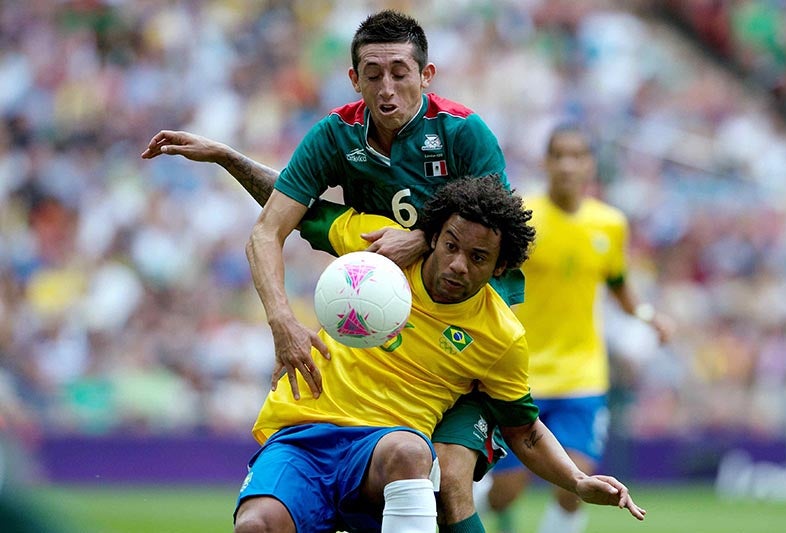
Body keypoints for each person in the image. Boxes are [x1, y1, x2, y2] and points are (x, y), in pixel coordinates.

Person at [142, 9, 524, 529]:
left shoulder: (463, 133)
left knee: (451, 484)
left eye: (400, 73)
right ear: (354, 79)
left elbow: (500, 228)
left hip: (468, 335)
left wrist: (424, 239)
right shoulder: (336, 135)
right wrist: (282, 322)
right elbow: (280, 225)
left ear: (426, 76)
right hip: (391, 329)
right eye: (373, 75)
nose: (386, 88)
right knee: (387, 476)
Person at [233, 175, 645, 532]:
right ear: (433, 236)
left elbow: (525, 431)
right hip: (302, 434)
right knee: (257, 524)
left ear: (499, 269)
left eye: (478, 258)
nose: (457, 265)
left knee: (413, 453)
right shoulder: (381, 247)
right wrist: (225, 157)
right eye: (451, 246)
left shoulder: (499, 335)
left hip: (384, 451)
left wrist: (575, 480)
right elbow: (297, 206)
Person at [476, 124, 672, 533]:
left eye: (576, 156)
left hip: (582, 375)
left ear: (590, 165)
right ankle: (462, 506)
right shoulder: (521, 218)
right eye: (558, 156)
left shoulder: (610, 224)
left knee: (577, 484)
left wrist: (650, 316)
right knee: (507, 489)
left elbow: (618, 285)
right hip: (520, 373)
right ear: (546, 163)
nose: (567, 165)